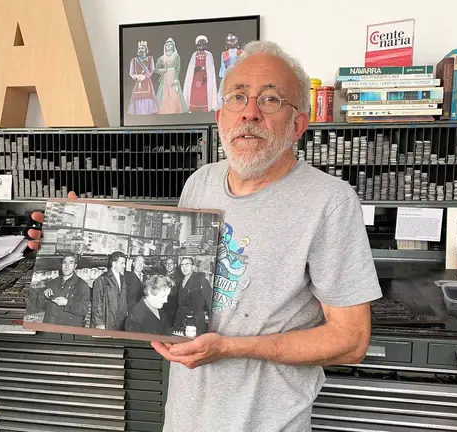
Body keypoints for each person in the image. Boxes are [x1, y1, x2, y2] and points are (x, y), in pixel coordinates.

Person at [29, 41, 381, 432]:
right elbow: (165, 279)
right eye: (238, 97)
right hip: (186, 416)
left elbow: (351, 340)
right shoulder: (201, 182)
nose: (250, 112)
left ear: (298, 124)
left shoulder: (329, 201)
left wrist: (230, 347)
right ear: (220, 118)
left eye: (270, 99)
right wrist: (71, 231)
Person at [26, 253, 90, 327]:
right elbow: (40, 306)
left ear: (75, 266)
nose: (67, 266)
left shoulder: (82, 285)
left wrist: (67, 303)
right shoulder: (52, 282)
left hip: (68, 328)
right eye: (65, 263)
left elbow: (84, 310)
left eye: (71, 263)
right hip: (50, 325)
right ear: (61, 265)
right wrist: (43, 295)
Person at [174, 257, 212, 336]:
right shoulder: (181, 281)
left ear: (193, 267)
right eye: (182, 265)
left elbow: (210, 302)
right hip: (181, 320)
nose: (184, 267)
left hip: (195, 322)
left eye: (187, 264)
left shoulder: (201, 280)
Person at [91, 251, 128, 330]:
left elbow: (123, 301)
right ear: (114, 264)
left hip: (119, 323)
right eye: (122, 263)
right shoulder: (102, 279)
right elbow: (97, 303)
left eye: (124, 263)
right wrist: (99, 323)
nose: (124, 266)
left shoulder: (123, 279)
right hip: (106, 322)